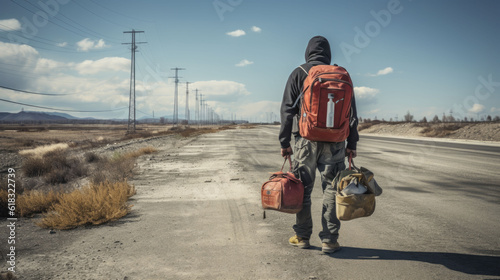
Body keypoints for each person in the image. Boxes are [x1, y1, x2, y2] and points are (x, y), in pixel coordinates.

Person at [278, 35, 359, 254]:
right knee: (332, 189)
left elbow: (287, 110)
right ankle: (330, 240)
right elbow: (352, 114)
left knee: (302, 188)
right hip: (335, 142)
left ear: (307, 51)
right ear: (328, 53)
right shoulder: (340, 75)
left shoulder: (299, 73)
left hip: (305, 140)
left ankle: (302, 237)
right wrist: (352, 143)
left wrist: (285, 142)